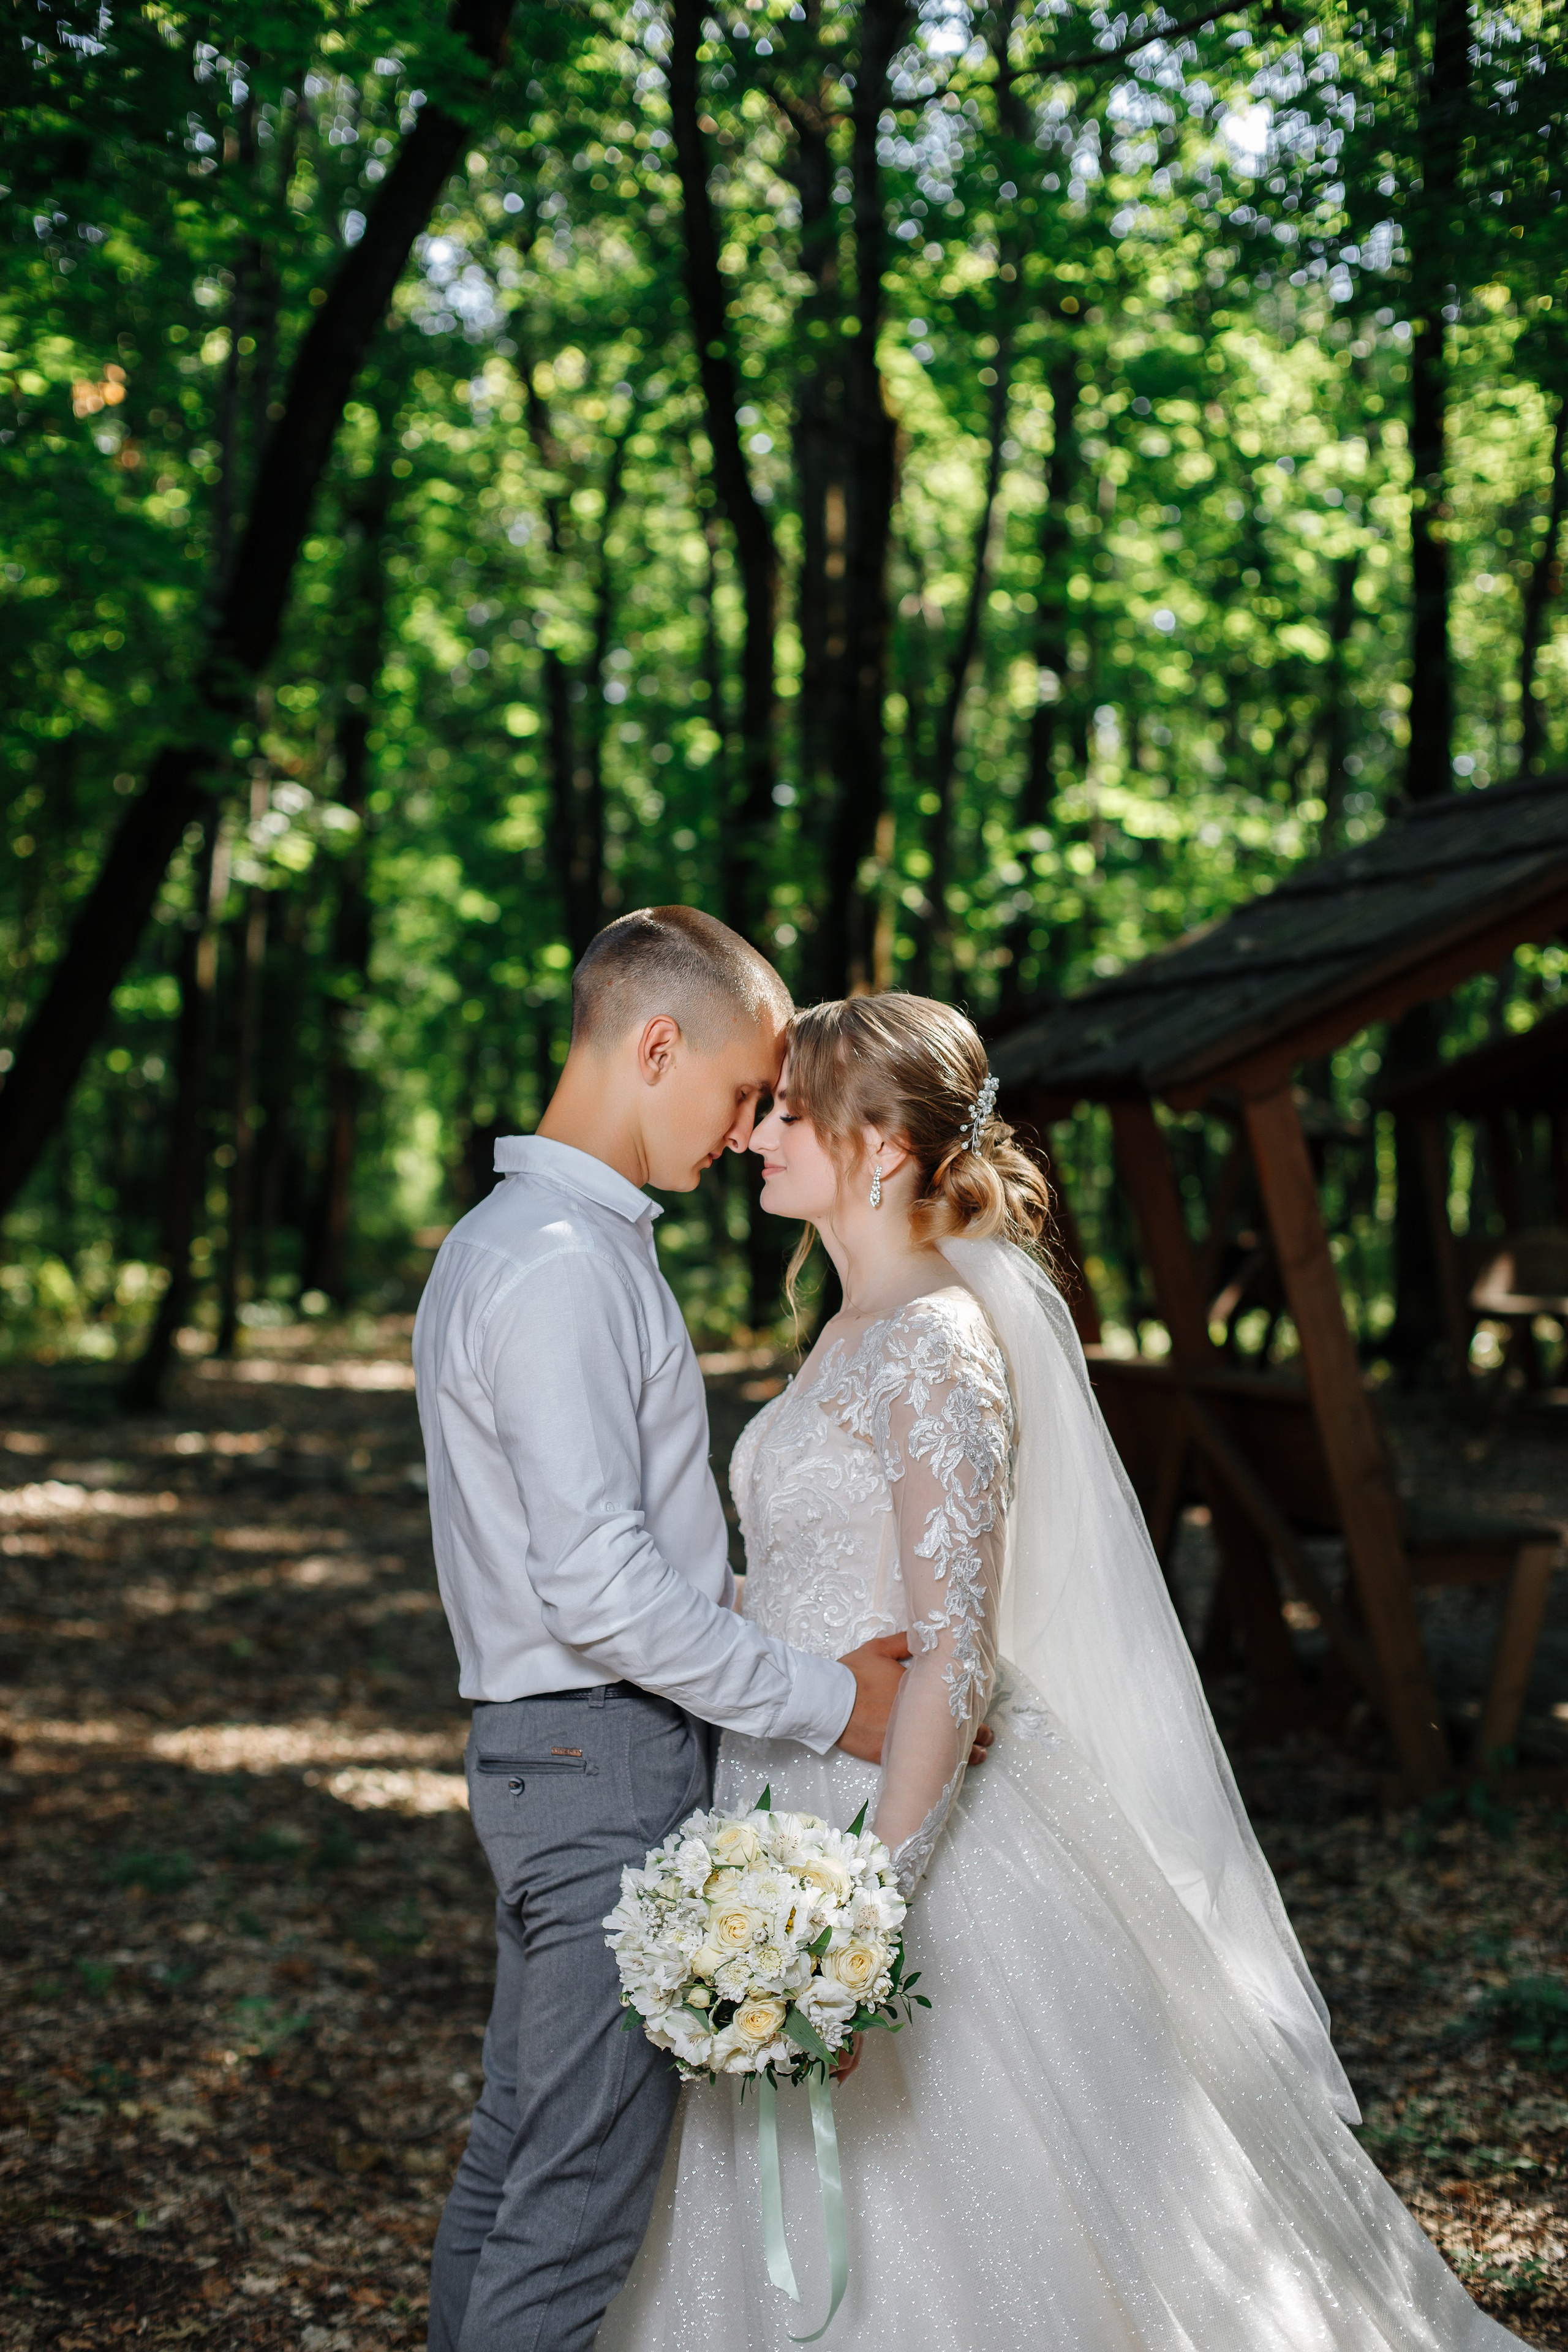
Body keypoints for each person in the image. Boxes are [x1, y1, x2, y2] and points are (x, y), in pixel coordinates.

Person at [598, 992, 1517, 2352]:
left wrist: (865, 1909)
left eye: (792, 1109)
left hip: (898, 1826)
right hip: (783, 1797)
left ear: (884, 1146)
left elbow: (955, 1651)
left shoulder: (933, 1343)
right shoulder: (849, 1328)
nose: (756, 1132)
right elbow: (818, 1583)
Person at [413, 910, 970, 2352]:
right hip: (596, 1760)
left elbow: (625, 1554)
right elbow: (595, 1589)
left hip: (562, 1750)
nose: (743, 1134)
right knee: (578, 2192)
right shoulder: (556, 1266)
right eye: (738, 1094)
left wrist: (758, 1612)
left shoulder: (540, 1243)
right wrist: (821, 1697)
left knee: (521, 2147)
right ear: (654, 1045)